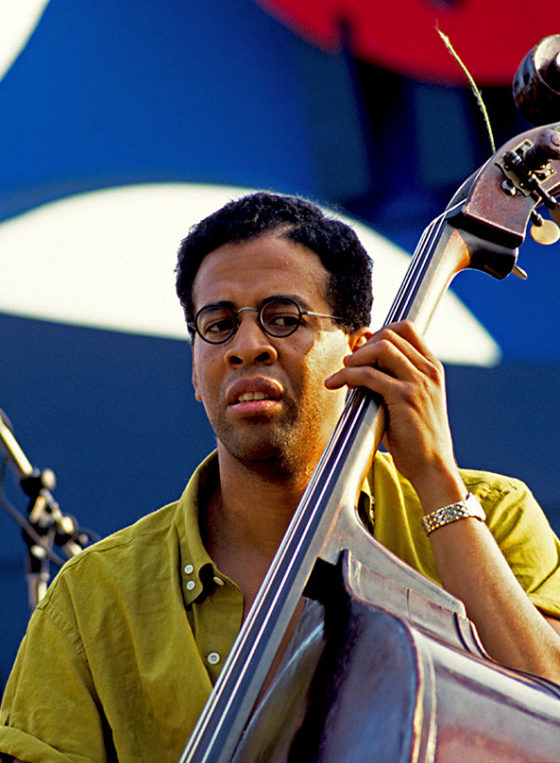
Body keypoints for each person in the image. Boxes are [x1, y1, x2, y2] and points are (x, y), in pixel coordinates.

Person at [1, 191, 560, 762]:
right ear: (195, 370)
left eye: (284, 318)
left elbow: (550, 713)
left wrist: (438, 480)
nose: (246, 347)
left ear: (359, 351)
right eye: (217, 325)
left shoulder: (494, 513)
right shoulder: (94, 598)